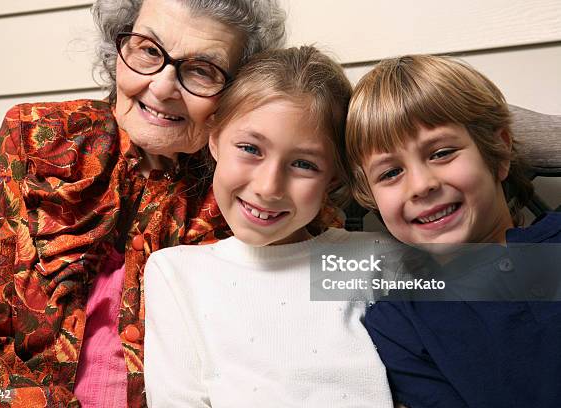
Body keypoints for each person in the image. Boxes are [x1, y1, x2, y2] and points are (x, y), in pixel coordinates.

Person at [0, 0, 286, 406]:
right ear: (118, 48)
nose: (161, 87)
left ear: (237, 93)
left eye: (201, 70)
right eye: (147, 50)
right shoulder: (36, 138)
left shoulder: (249, 191)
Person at [143, 46, 394, 407]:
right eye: (249, 148)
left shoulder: (372, 258)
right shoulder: (177, 273)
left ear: (334, 177)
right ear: (214, 139)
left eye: (304, 164)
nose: (268, 187)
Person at [345, 54, 561, 407]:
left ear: (499, 152)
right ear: (371, 197)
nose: (421, 185)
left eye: (441, 153)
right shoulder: (401, 324)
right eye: (390, 173)